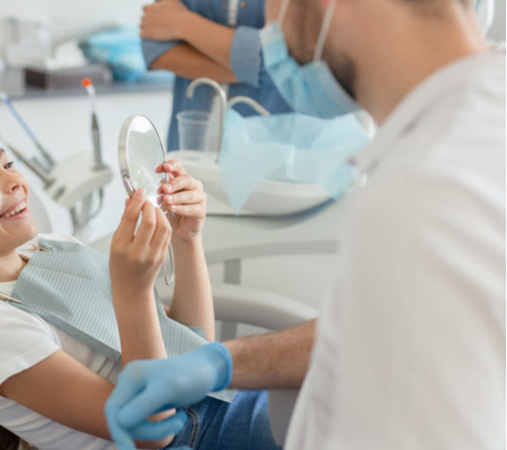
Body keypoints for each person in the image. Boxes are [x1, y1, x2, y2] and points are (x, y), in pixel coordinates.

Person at [106, 0, 506, 449]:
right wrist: (226, 361)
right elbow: (394, 325)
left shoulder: (420, 195)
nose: (267, 28)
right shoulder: (476, 128)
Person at [0, 117, 281, 450]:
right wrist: (131, 293)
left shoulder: (52, 248)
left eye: (7, 164)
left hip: (217, 399)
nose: (16, 181)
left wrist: (187, 239)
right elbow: (151, 433)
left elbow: (188, 345)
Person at [140, 0, 292, 151]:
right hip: (188, 147)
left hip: (271, 150)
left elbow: (289, 60)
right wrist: (255, 67)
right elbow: (155, 47)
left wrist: (181, 22)